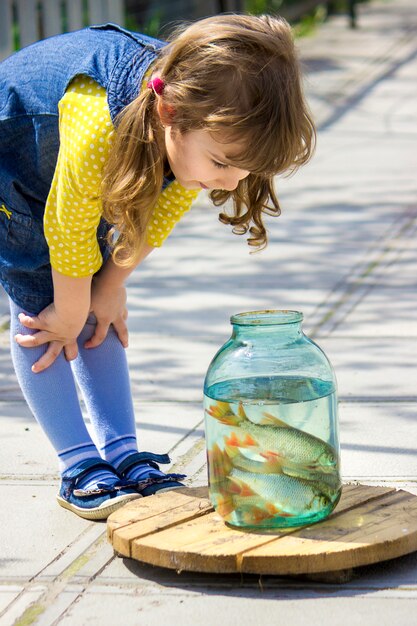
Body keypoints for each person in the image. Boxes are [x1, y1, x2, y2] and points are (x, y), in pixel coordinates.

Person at [0, 14, 315, 520]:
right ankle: (78, 465)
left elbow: (160, 208)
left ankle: (122, 453)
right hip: (18, 171)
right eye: (221, 164)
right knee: (48, 316)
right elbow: (64, 223)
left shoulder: (195, 111)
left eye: (244, 172)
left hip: (73, 187)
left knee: (96, 315)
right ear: (169, 112)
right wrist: (75, 301)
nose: (232, 185)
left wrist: (112, 284)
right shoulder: (99, 120)